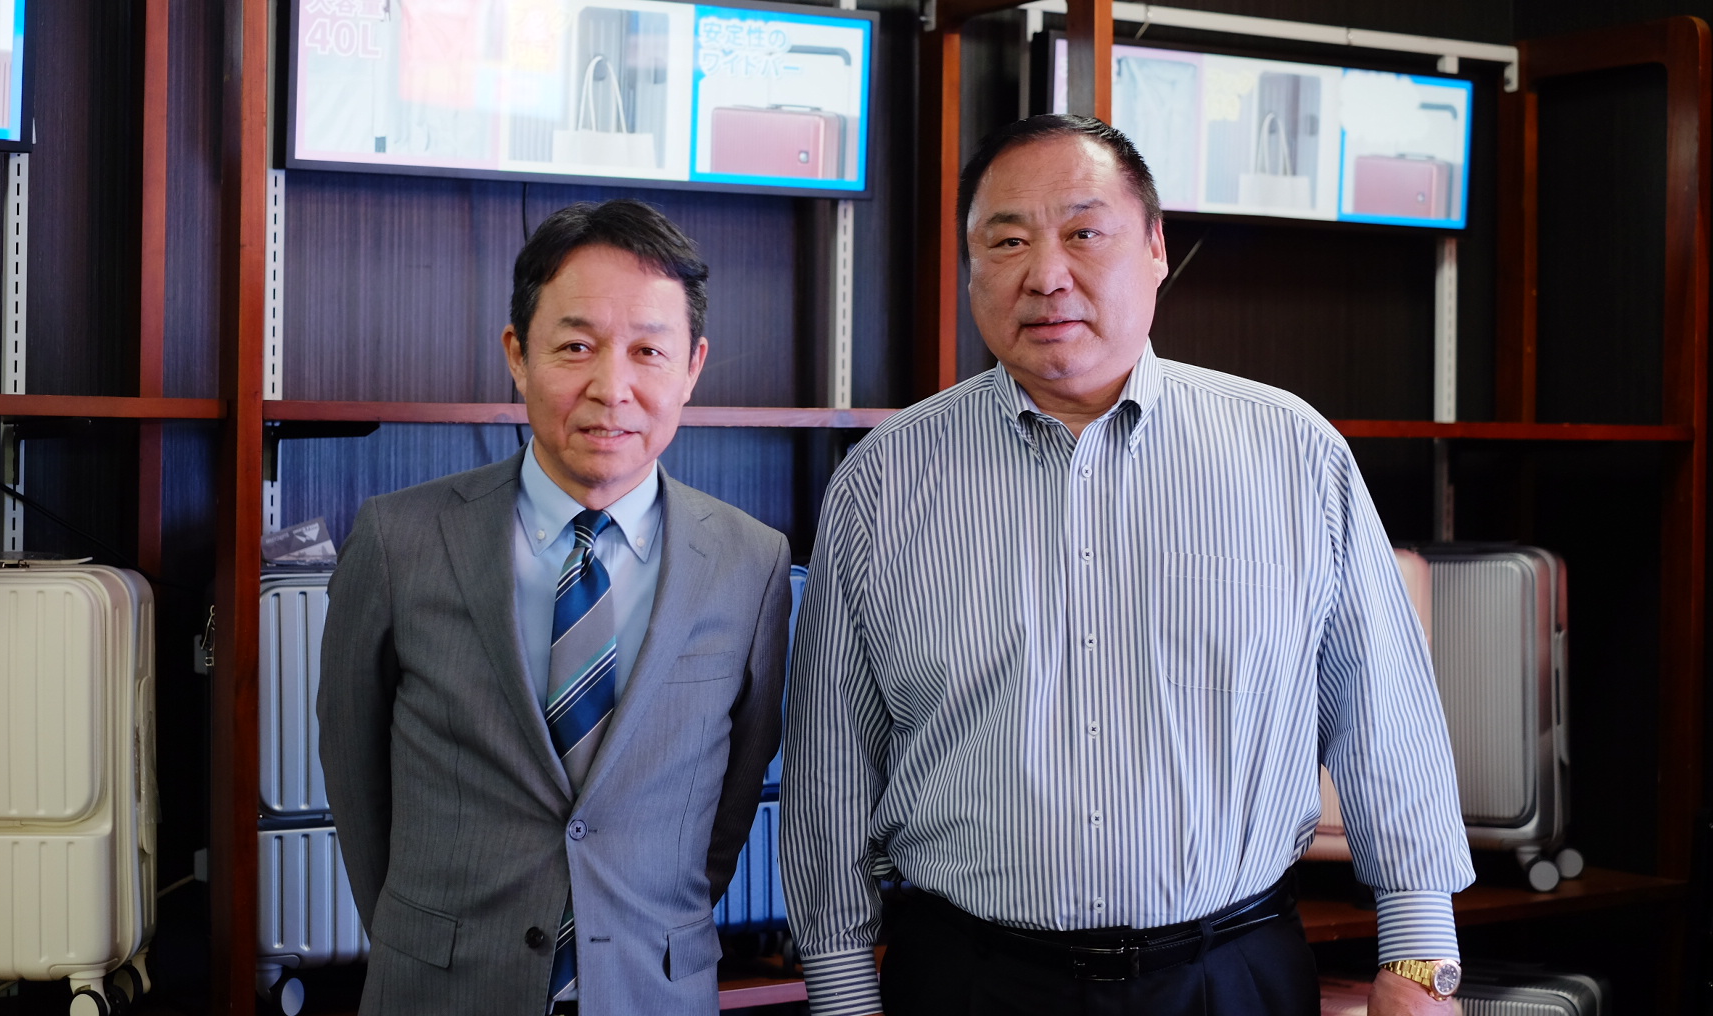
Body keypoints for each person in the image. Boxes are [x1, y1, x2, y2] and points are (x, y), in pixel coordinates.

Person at [780, 116, 1474, 1016]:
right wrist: (840, 988)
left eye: (1084, 233)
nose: (1046, 274)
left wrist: (1419, 958)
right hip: (970, 977)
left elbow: (1384, 711)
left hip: (1231, 974)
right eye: (1008, 241)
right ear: (971, 269)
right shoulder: (883, 481)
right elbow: (831, 762)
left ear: (1155, 249)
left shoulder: (1291, 452)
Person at [319, 199, 792, 1016]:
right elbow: (356, 781)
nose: (611, 388)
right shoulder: (399, 542)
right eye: (576, 346)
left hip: (651, 990)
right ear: (518, 354)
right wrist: (426, 940)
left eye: (649, 351)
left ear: (692, 367)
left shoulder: (751, 563)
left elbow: (733, 802)